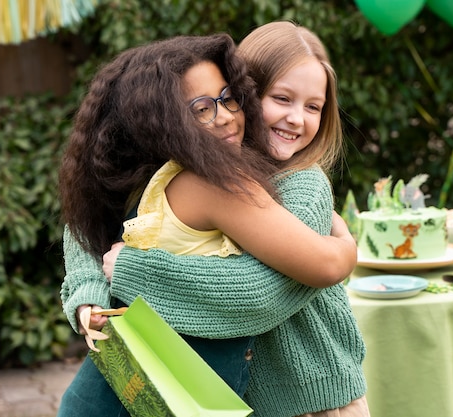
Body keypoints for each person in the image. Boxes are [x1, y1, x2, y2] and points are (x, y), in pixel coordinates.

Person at [58, 30, 359, 416]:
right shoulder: (187, 171)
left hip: (310, 395)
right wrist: (88, 291)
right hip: (227, 394)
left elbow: (263, 294)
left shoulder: (300, 183)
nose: (295, 118)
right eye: (281, 99)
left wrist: (343, 252)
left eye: (314, 106)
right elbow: (88, 223)